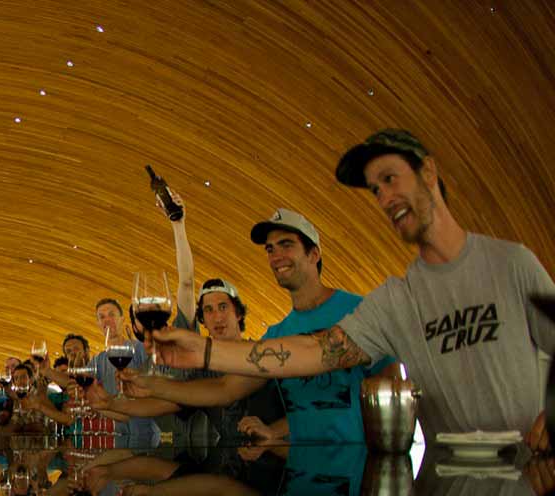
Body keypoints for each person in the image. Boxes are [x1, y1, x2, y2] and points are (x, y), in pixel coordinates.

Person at [150, 130, 555, 446]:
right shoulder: (395, 301)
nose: (385, 198)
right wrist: (201, 352)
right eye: (376, 189)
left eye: (390, 179)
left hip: (528, 478)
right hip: (444, 485)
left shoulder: (510, 265)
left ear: (429, 172)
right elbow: (315, 351)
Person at [128, 209, 391, 443]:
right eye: (270, 249)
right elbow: (225, 389)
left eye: (286, 245)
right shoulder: (277, 334)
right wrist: (151, 384)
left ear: (314, 254)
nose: (276, 256)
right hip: (297, 470)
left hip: (357, 467)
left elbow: (393, 390)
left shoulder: (360, 312)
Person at [91, 297, 160, 446]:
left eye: (111, 314)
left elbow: (157, 385)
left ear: (122, 319)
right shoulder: (98, 360)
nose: (107, 320)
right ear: (98, 324)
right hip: (121, 438)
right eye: (102, 317)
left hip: (149, 437)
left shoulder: (141, 348)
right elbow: (76, 380)